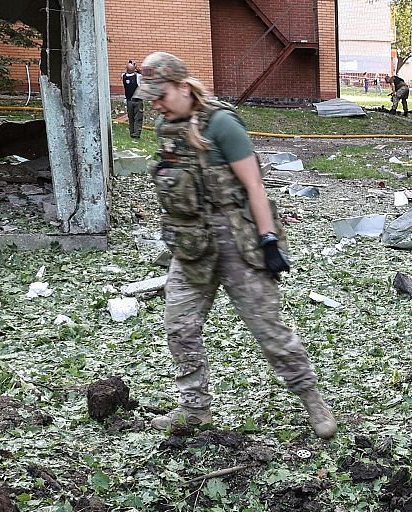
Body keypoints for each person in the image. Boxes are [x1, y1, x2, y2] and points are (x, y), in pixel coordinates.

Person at [135, 51, 338, 437]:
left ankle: (312, 400)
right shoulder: (165, 124)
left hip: (235, 237)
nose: (155, 103)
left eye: (160, 94)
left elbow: (254, 186)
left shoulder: (222, 124)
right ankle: (194, 410)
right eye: (152, 97)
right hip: (192, 241)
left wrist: (269, 240)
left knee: (267, 327)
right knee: (180, 327)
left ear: (182, 86)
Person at [122, 60, 143, 140]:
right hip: (137, 100)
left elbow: (127, 71)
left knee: (131, 117)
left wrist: (130, 67)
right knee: (138, 117)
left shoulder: (123, 75)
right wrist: (137, 68)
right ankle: (136, 133)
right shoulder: (137, 76)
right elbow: (144, 75)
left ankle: (132, 132)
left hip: (129, 100)